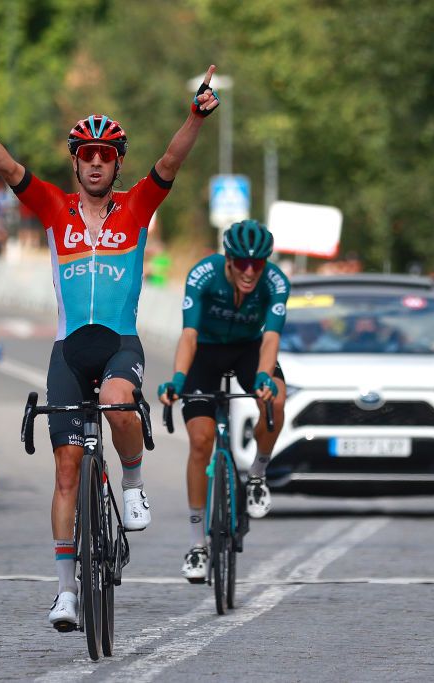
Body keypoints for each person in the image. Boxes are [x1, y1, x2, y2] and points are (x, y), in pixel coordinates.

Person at [0, 63, 220, 629]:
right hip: (68, 349)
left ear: (116, 163)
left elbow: (171, 161)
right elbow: (6, 167)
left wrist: (195, 115)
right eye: (87, 154)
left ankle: (133, 482)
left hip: (120, 342)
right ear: (74, 162)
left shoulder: (137, 207)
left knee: (120, 402)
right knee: (67, 472)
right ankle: (66, 592)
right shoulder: (53, 208)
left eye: (106, 154)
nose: (96, 161)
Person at [157, 220, 289, 582]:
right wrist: (179, 379)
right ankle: (198, 545)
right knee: (200, 442)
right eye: (241, 263)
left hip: (248, 350)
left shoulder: (276, 282)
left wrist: (264, 376)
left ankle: (259, 475)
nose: (249, 271)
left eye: (257, 264)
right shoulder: (203, 275)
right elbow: (188, 334)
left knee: (275, 399)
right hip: (205, 354)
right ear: (227, 259)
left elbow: (270, 338)